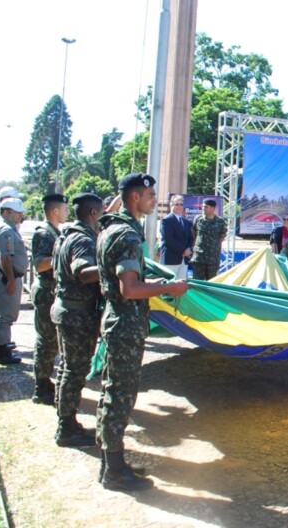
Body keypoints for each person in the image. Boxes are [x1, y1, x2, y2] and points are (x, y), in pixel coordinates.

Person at [95, 173, 189, 491]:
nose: (154, 199)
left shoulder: (114, 228)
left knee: (112, 393)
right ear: (134, 197)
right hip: (125, 325)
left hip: (118, 322)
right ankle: (113, 472)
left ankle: (112, 462)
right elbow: (130, 289)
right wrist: (168, 288)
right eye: (150, 194)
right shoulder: (127, 236)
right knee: (119, 396)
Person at [51, 193, 104, 448]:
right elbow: (83, 273)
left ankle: (66, 422)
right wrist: (110, 268)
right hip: (77, 315)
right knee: (74, 371)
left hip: (66, 310)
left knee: (66, 369)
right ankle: (66, 428)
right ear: (93, 213)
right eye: (102, 212)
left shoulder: (65, 235)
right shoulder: (83, 239)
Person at [29, 193, 69, 405]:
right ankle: (41, 386)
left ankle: (44, 381)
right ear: (55, 210)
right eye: (64, 209)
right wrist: (62, 257)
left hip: (51, 291)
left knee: (51, 341)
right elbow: (39, 264)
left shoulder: (54, 231)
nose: (67, 212)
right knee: (46, 341)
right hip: (46, 292)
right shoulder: (44, 233)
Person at [0, 197, 28, 365]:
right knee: (5, 316)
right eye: (16, 213)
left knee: (2, 314)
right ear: (6, 212)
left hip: (5, 276)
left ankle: (0, 345)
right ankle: (0, 351)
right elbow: (5, 257)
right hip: (7, 277)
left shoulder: (4, 227)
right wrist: (11, 280)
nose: (20, 216)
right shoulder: (6, 231)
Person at [191, 199, 228, 280]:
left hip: (213, 258)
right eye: (203, 207)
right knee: (197, 282)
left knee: (212, 281)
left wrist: (213, 246)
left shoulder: (220, 221)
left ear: (213, 208)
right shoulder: (198, 219)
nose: (203, 209)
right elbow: (194, 233)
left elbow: (222, 237)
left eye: (206, 207)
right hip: (199, 257)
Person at [159, 195, 193, 279]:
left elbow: (190, 238)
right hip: (170, 259)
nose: (179, 207)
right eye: (176, 204)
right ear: (171, 205)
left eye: (181, 204)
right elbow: (169, 239)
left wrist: (189, 249)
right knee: (169, 286)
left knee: (181, 286)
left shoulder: (186, 222)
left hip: (183, 261)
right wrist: (183, 250)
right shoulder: (166, 221)